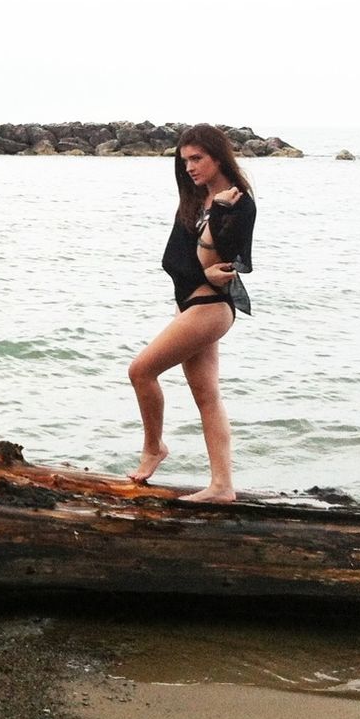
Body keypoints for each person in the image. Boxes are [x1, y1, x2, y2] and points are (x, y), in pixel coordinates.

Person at [127, 124, 256, 504]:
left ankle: (154, 448)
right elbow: (183, 260)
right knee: (207, 394)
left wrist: (215, 221)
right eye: (184, 161)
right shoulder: (194, 200)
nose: (189, 168)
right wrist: (204, 264)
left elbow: (218, 260)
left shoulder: (238, 203)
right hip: (191, 302)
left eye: (197, 158)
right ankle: (222, 486)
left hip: (210, 307)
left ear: (218, 156)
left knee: (141, 371)